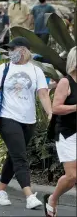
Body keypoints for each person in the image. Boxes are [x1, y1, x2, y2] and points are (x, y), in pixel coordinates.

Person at [0, 37, 52, 209]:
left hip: (29, 120)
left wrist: (50, 113)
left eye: (13, 49)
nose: (10, 53)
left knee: (14, 155)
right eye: (9, 50)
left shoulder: (35, 70)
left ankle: (0, 190)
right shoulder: (4, 68)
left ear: (23, 50)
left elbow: (43, 94)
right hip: (8, 118)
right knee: (20, 157)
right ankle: (29, 196)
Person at [45, 46, 77, 216]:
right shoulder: (66, 82)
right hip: (67, 134)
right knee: (72, 176)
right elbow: (56, 108)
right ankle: (53, 198)